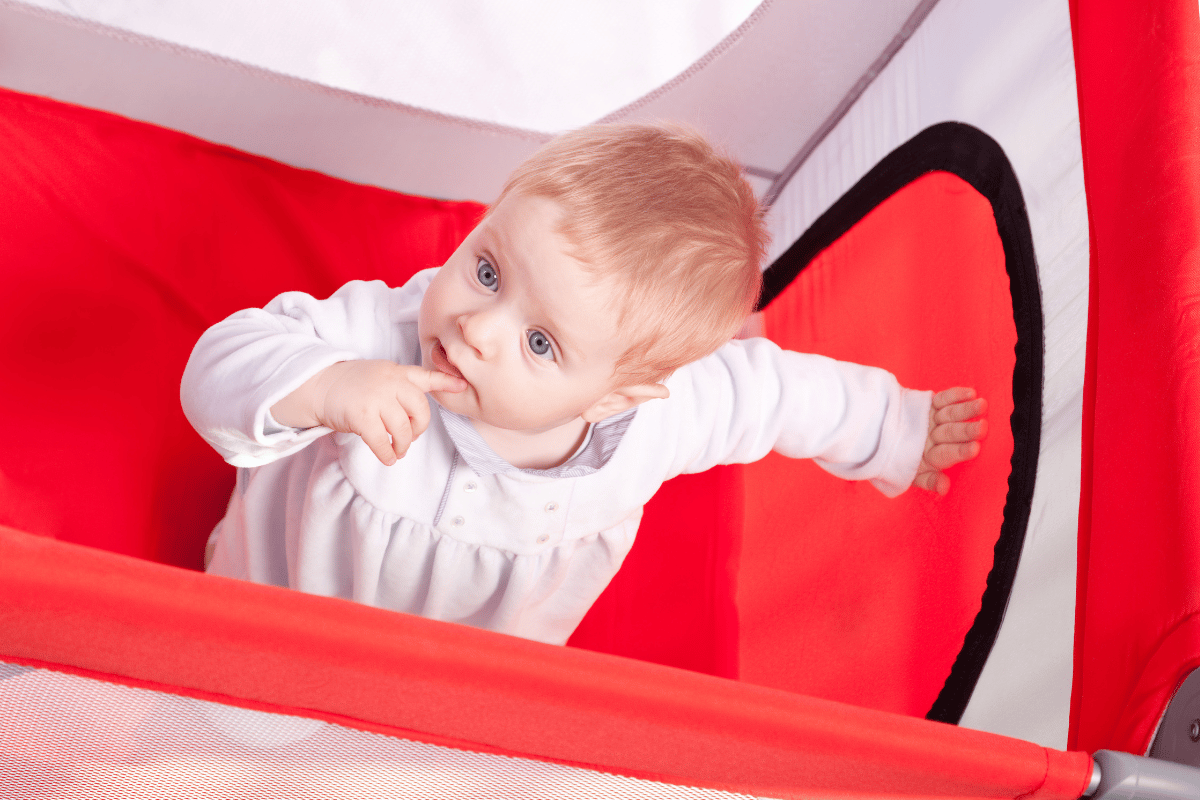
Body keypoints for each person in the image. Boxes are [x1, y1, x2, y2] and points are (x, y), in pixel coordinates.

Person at [181, 123, 987, 645]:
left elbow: (776, 395)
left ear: (615, 398)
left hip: (474, 663)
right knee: (229, 716)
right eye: (488, 268)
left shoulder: (668, 415)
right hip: (282, 601)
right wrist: (324, 383)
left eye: (540, 342)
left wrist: (892, 430)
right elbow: (219, 365)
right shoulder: (377, 337)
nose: (476, 327)